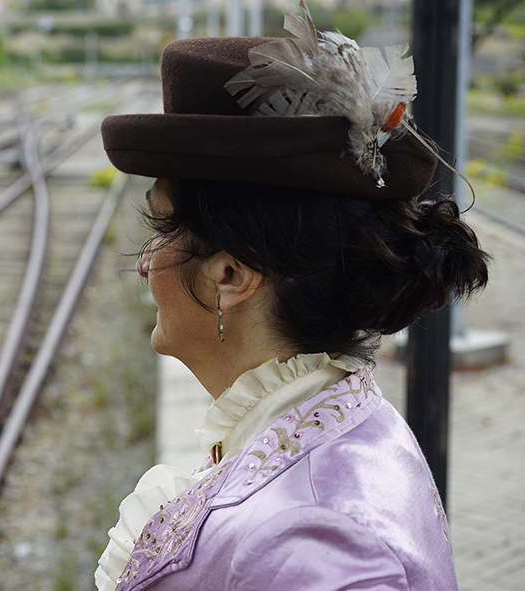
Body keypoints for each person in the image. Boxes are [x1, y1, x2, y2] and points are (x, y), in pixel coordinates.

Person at [94, 4, 489, 591]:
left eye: (162, 231)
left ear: (230, 273)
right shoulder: (336, 424)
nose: (146, 265)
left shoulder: (313, 541)